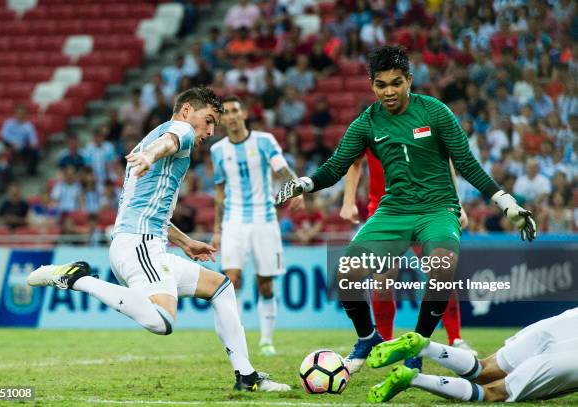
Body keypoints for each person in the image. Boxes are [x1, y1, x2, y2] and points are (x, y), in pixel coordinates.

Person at [274, 46, 536, 374]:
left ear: (409, 81)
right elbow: (337, 166)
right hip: (393, 211)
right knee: (346, 275)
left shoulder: (436, 112)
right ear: (372, 85)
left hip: (438, 209)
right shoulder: (366, 123)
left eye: (396, 83)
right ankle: (368, 338)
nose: (389, 91)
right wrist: (304, 184)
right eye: (381, 85)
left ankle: (417, 345)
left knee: (442, 269)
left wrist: (506, 202)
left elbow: (466, 163)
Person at [27, 87, 290, 392]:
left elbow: (151, 205)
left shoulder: (155, 138)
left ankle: (246, 376)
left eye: (214, 125)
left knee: (221, 288)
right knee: (162, 321)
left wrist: (185, 241)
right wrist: (151, 155)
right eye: (208, 120)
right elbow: (172, 141)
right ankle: (77, 278)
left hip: (146, 242)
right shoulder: (179, 129)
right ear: (188, 110)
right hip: (139, 244)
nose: (210, 130)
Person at [341, 151, 477, 359]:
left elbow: (443, 159)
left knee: (440, 272)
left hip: (425, 207)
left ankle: (455, 339)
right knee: (383, 281)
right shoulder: (369, 122)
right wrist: (348, 201)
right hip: (384, 211)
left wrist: (456, 202)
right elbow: (355, 161)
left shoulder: (421, 119)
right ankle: (383, 343)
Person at [210, 95, 304, 356]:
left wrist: (296, 189)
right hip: (234, 220)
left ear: (244, 114)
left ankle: (266, 340)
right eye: (225, 112)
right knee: (231, 280)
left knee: (265, 283)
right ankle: (235, 338)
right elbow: (219, 193)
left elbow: (282, 169)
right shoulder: (218, 150)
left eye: (234, 111)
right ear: (222, 118)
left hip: (264, 218)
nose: (230, 116)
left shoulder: (264, 141)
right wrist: (217, 229)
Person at [367, 308, 578, 402]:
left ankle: (424, 347)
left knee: (484, 369)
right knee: (492, 392)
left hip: (568, 322)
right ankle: (413, 378)